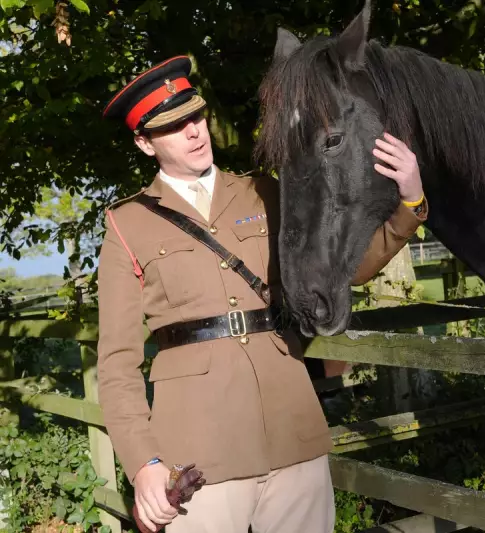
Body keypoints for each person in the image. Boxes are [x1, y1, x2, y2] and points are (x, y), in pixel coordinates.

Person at [96, 55, 427, 533]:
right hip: (198, 451)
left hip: (292, 432)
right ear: (145, 143)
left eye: (195, 116)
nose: (194, 132)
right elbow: (117, 364)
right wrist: (143, 464)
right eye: (173, 126)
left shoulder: (265, 194)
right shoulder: (127, 225)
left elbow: (345, 270)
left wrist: (410, 202)